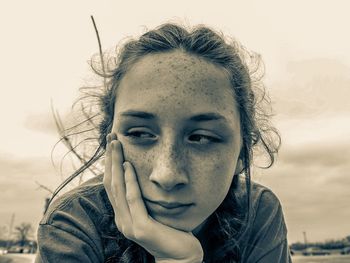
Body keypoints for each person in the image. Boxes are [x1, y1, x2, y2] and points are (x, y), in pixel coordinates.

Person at [35, 23, 291, 263]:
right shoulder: (74, 225)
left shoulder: (257, 214)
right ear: (108, 140)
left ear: (243, 155)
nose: (167, 175)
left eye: (202, 138)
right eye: (139, 134)